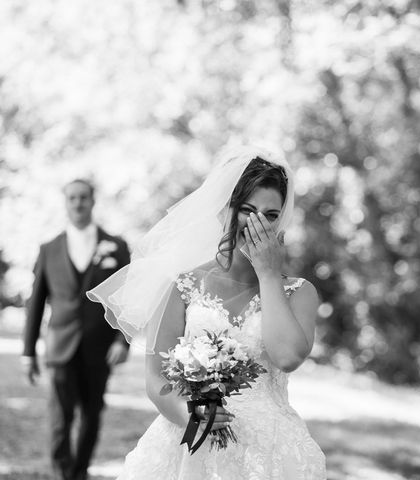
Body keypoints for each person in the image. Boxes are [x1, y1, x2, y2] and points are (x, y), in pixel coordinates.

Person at [88, 146, 326, 479]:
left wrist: (269, 274)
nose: (258, 223)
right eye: (247, 209)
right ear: (224, 210)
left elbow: (286, 357)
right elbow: (156, 378)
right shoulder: (183, 285)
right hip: (191, 440)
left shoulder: (299, 293)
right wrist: (190, 413)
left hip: (269, 452)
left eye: (271, 215)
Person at [22, 179, 131, 480]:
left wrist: (123, 340)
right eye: (72, 198)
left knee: (92, 414)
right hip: (60, 345)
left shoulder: (117, 246)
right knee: (60, 416)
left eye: (83, 197)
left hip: (100, 346)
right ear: (65, 202)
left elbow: (127, 298)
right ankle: (63, 473)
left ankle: (80, 470)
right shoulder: (49, 249)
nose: (78, 203)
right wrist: (28, 351)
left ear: (93, 201)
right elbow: (36, 303)